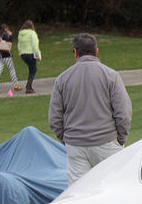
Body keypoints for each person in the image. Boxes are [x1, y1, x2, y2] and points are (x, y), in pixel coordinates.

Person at [49, 33, 133, 185]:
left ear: (75, 52)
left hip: (76, 145)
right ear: (96, 51)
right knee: (112, 189)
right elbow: (123, 113)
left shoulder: (62, 79)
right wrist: (121, 139)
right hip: (106, 142)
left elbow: (54, 118)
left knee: (78, 194)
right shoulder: (110, 75)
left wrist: (68, 139)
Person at [0, 24, 21, 93]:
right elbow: (10, 43)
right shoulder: (5, 35)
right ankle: (16, 84)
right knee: (11, 69)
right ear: (5, 29)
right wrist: (10, 35)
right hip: (6, 55)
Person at [17, 20, 41, 94]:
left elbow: (19, 45)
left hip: (23, 54)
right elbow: (35, 44)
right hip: (30, 53)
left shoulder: (20, 34)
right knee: (33, 69)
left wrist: (20, 52)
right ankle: (28, 87)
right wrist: (37, 53)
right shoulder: (32, 33)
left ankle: (29, 86)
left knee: (31, 68)